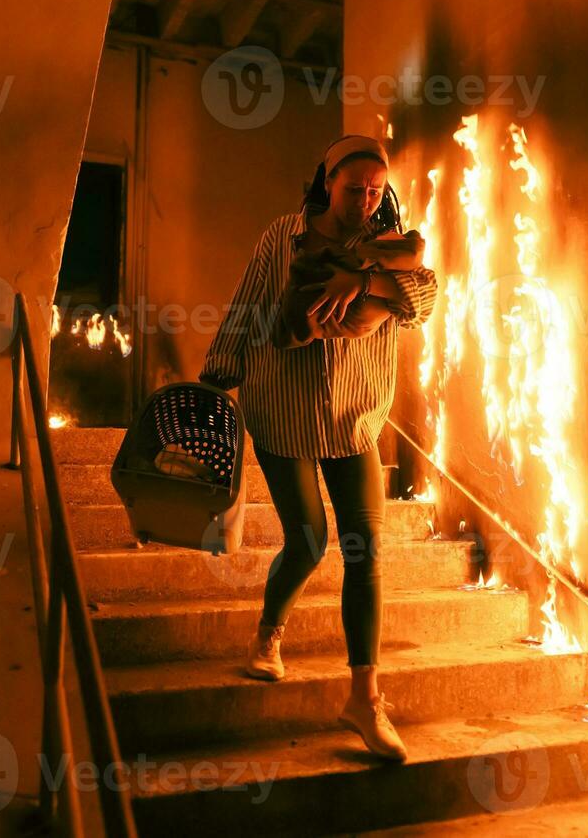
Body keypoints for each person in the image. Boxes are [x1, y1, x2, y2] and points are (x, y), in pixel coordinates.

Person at [199, 134, 438, 762]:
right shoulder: (284, 235)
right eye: (353, 187)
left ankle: (365, 697)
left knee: (366, 548)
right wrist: (217, 373)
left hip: (355, 416)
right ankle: (267, 636)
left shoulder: (388, 244)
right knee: (307, 538)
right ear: (326, 182)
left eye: (375, 190)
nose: (365, 199)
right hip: (281, 409)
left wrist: (362, 275)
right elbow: (252, 303)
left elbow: (427, 295)